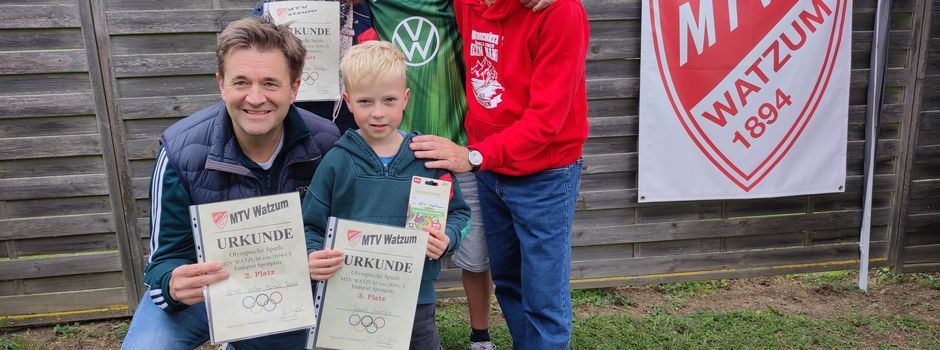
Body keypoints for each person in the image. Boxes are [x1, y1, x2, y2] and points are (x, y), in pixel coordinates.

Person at [121, 16, 340, 349]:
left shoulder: (327, 143)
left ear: (294, 88)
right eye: (241, 82)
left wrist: (422, 155)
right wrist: (172, 284)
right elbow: (164, 258)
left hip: (298, 287)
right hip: (214, 289)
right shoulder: (180, 151)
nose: (255, 97)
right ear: (221, 84)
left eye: (270, 83)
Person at [364, 1, 555, 348]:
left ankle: (480, 335)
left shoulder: (459, 3)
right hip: (402, 151)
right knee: (403, 249)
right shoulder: (376, 4)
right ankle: (396, 330)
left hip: (459, 149)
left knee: (476, 254)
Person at [409, 0, 589, 348]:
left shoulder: (559, 11)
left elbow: (546, 120)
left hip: (544, 174)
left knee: (544, 297)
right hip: (490, 170)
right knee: (508, 281)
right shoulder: (468, 3)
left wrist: (474, 156)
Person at [302, 40, 471, 350]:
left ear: (405, 98)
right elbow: (310, 225)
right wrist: (313, 254)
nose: (378, 113)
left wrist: (448, 238)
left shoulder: (427, 160)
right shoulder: (336, 162)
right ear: (348, 102)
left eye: (389, 100)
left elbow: (460, 214)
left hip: (415, 298)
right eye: (365, 102)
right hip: (348, 297)